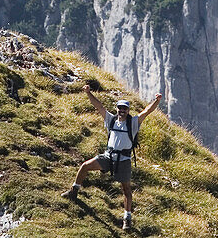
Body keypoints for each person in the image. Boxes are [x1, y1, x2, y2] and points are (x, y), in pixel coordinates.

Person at [62, 84, 163, 229]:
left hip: (124, 160)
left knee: (126, 190)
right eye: (120, 108)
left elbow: (146, 112)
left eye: (124, 109)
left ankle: (127, 219)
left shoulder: (133, 122)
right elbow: (99, 107)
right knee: (84, 166)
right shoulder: (111, 120)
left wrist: (157, 101)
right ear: (117, 109)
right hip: (108, 156)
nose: (122, 111)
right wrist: (88, 93)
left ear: (128, 111)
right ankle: (73, 192)